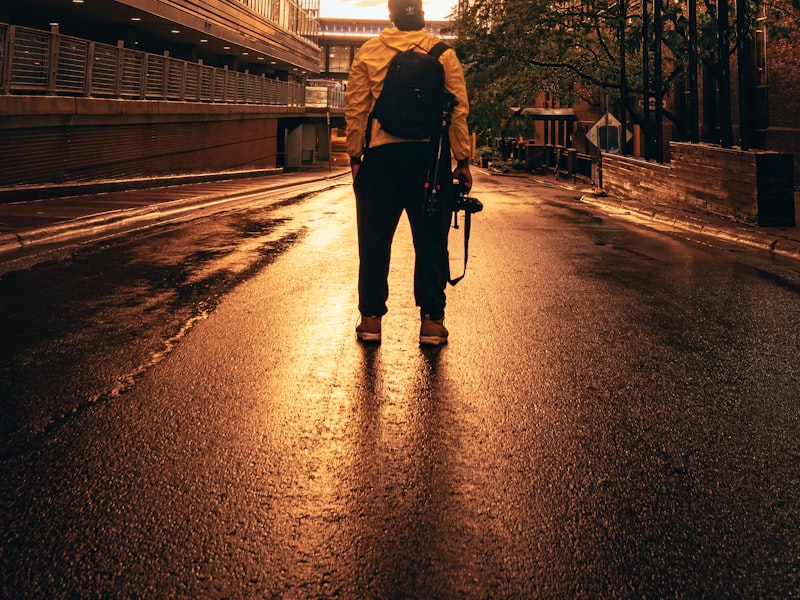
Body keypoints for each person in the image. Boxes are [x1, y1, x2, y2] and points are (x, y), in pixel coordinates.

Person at [345, 0, 472, 346]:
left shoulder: (369, 53)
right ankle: (432, 322)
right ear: (422, 16)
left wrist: (356, 156)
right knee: (431, 243)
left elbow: (355, 108)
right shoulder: (444, 54)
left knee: (373, 243)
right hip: (429, 160)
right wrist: (462, 160)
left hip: (381, 160)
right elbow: (458, 111)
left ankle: (370, 320)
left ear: (391, 15)